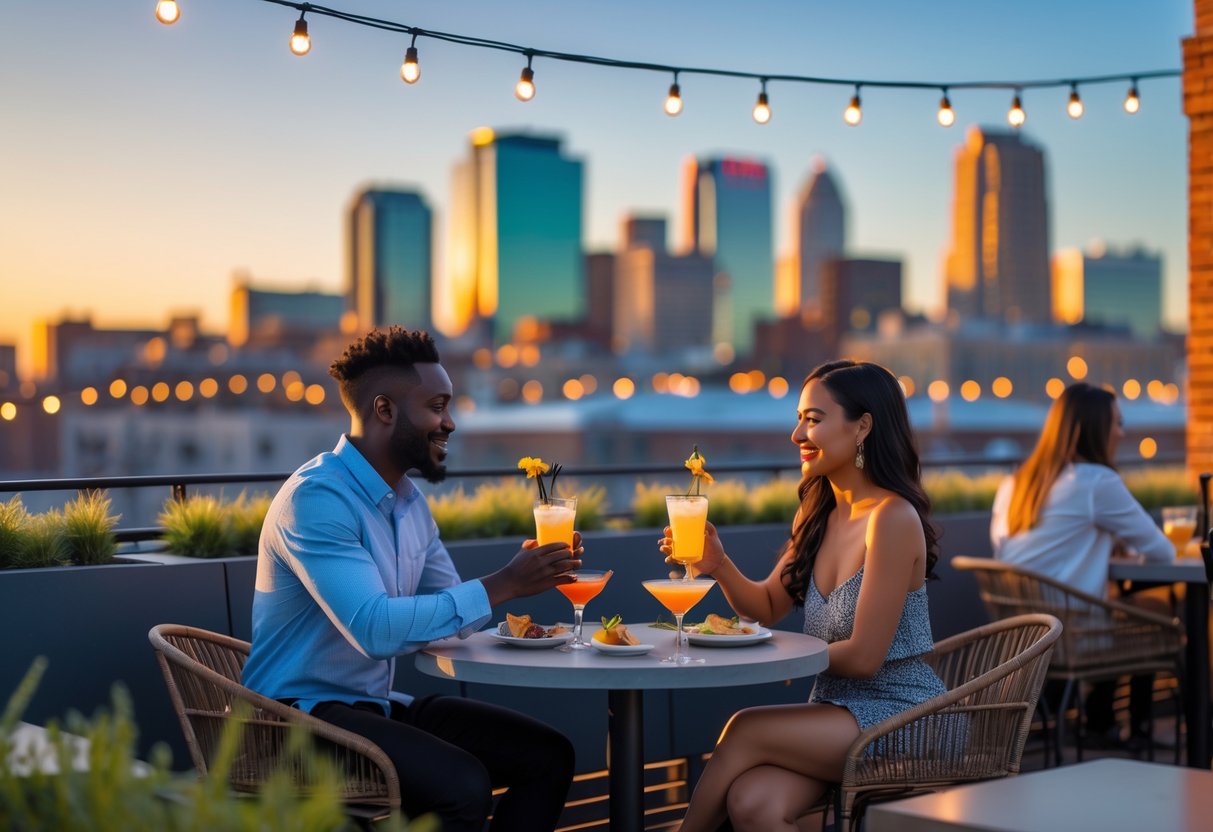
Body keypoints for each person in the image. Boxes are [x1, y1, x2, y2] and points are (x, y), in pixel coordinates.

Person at [242, 326, 577, 831]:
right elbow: (375, 629)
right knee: (462, 785)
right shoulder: (316, 500)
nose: (451, 422)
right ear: (384, 410)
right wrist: (503, 583)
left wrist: (532, 572)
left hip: (370, 709)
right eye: (438, 407)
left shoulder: (410, 505)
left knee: (548, 755)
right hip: (295, 721)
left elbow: (449, 609)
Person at [670, 360, 944, 832]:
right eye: (799, 418)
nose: (797, 433)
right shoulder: (817, 513)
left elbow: (863, 659)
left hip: (902, 714)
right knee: (753, 801)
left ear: (862, 427)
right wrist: (717, 565)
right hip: (832, 714)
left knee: (745, 728)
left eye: (813, 420)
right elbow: (766, 606)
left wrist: (780, 653)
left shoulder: (892, 519)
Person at [990, 381, 1173, 748]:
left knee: (1125, 607)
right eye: (1117, 423)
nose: (1122, 433)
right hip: (1073, 634)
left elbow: (1014, 550)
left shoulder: (1016, 482)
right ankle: (1135, 730)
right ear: (1095, 430)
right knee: (1159, 613)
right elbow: (1163, 553)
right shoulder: (1096, 481)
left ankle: (1101, 722)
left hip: (1021, 633)